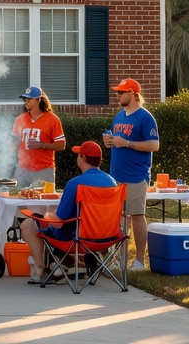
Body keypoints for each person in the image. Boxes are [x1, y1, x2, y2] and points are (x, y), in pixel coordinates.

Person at [22, 141, 117, 284]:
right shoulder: (112, 183)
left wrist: (48, 215)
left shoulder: (75, 183)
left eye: (78, 155)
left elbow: (59, 222)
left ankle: (40, 271)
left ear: (83, 158)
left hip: (78, 239)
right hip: (107, 237)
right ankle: (71, 264)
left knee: (28, 224)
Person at [103, 78, 159, 270]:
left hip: (136, 174)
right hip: (116, 174)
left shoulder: (145, 117)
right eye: (117, 92)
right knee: (120, 218)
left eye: (122, 92)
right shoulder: (119, 116)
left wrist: (126, 143)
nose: (118, 95)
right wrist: (109, 141)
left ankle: (140, 261)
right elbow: (117, 140)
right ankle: (121, 258)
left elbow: (154, 145)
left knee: (137, 215)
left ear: (134, 94)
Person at [11, 87, 66, 186]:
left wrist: (42, 145)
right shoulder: (20, 119)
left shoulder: (52, 119)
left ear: (39, 100)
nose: (26, 101)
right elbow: (13, 144)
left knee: (43, 199)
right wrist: (13, 143)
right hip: (22, 170)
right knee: (18, 199)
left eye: (29, 99)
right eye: (25, 99)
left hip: (44, 170)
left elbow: (61, 145)